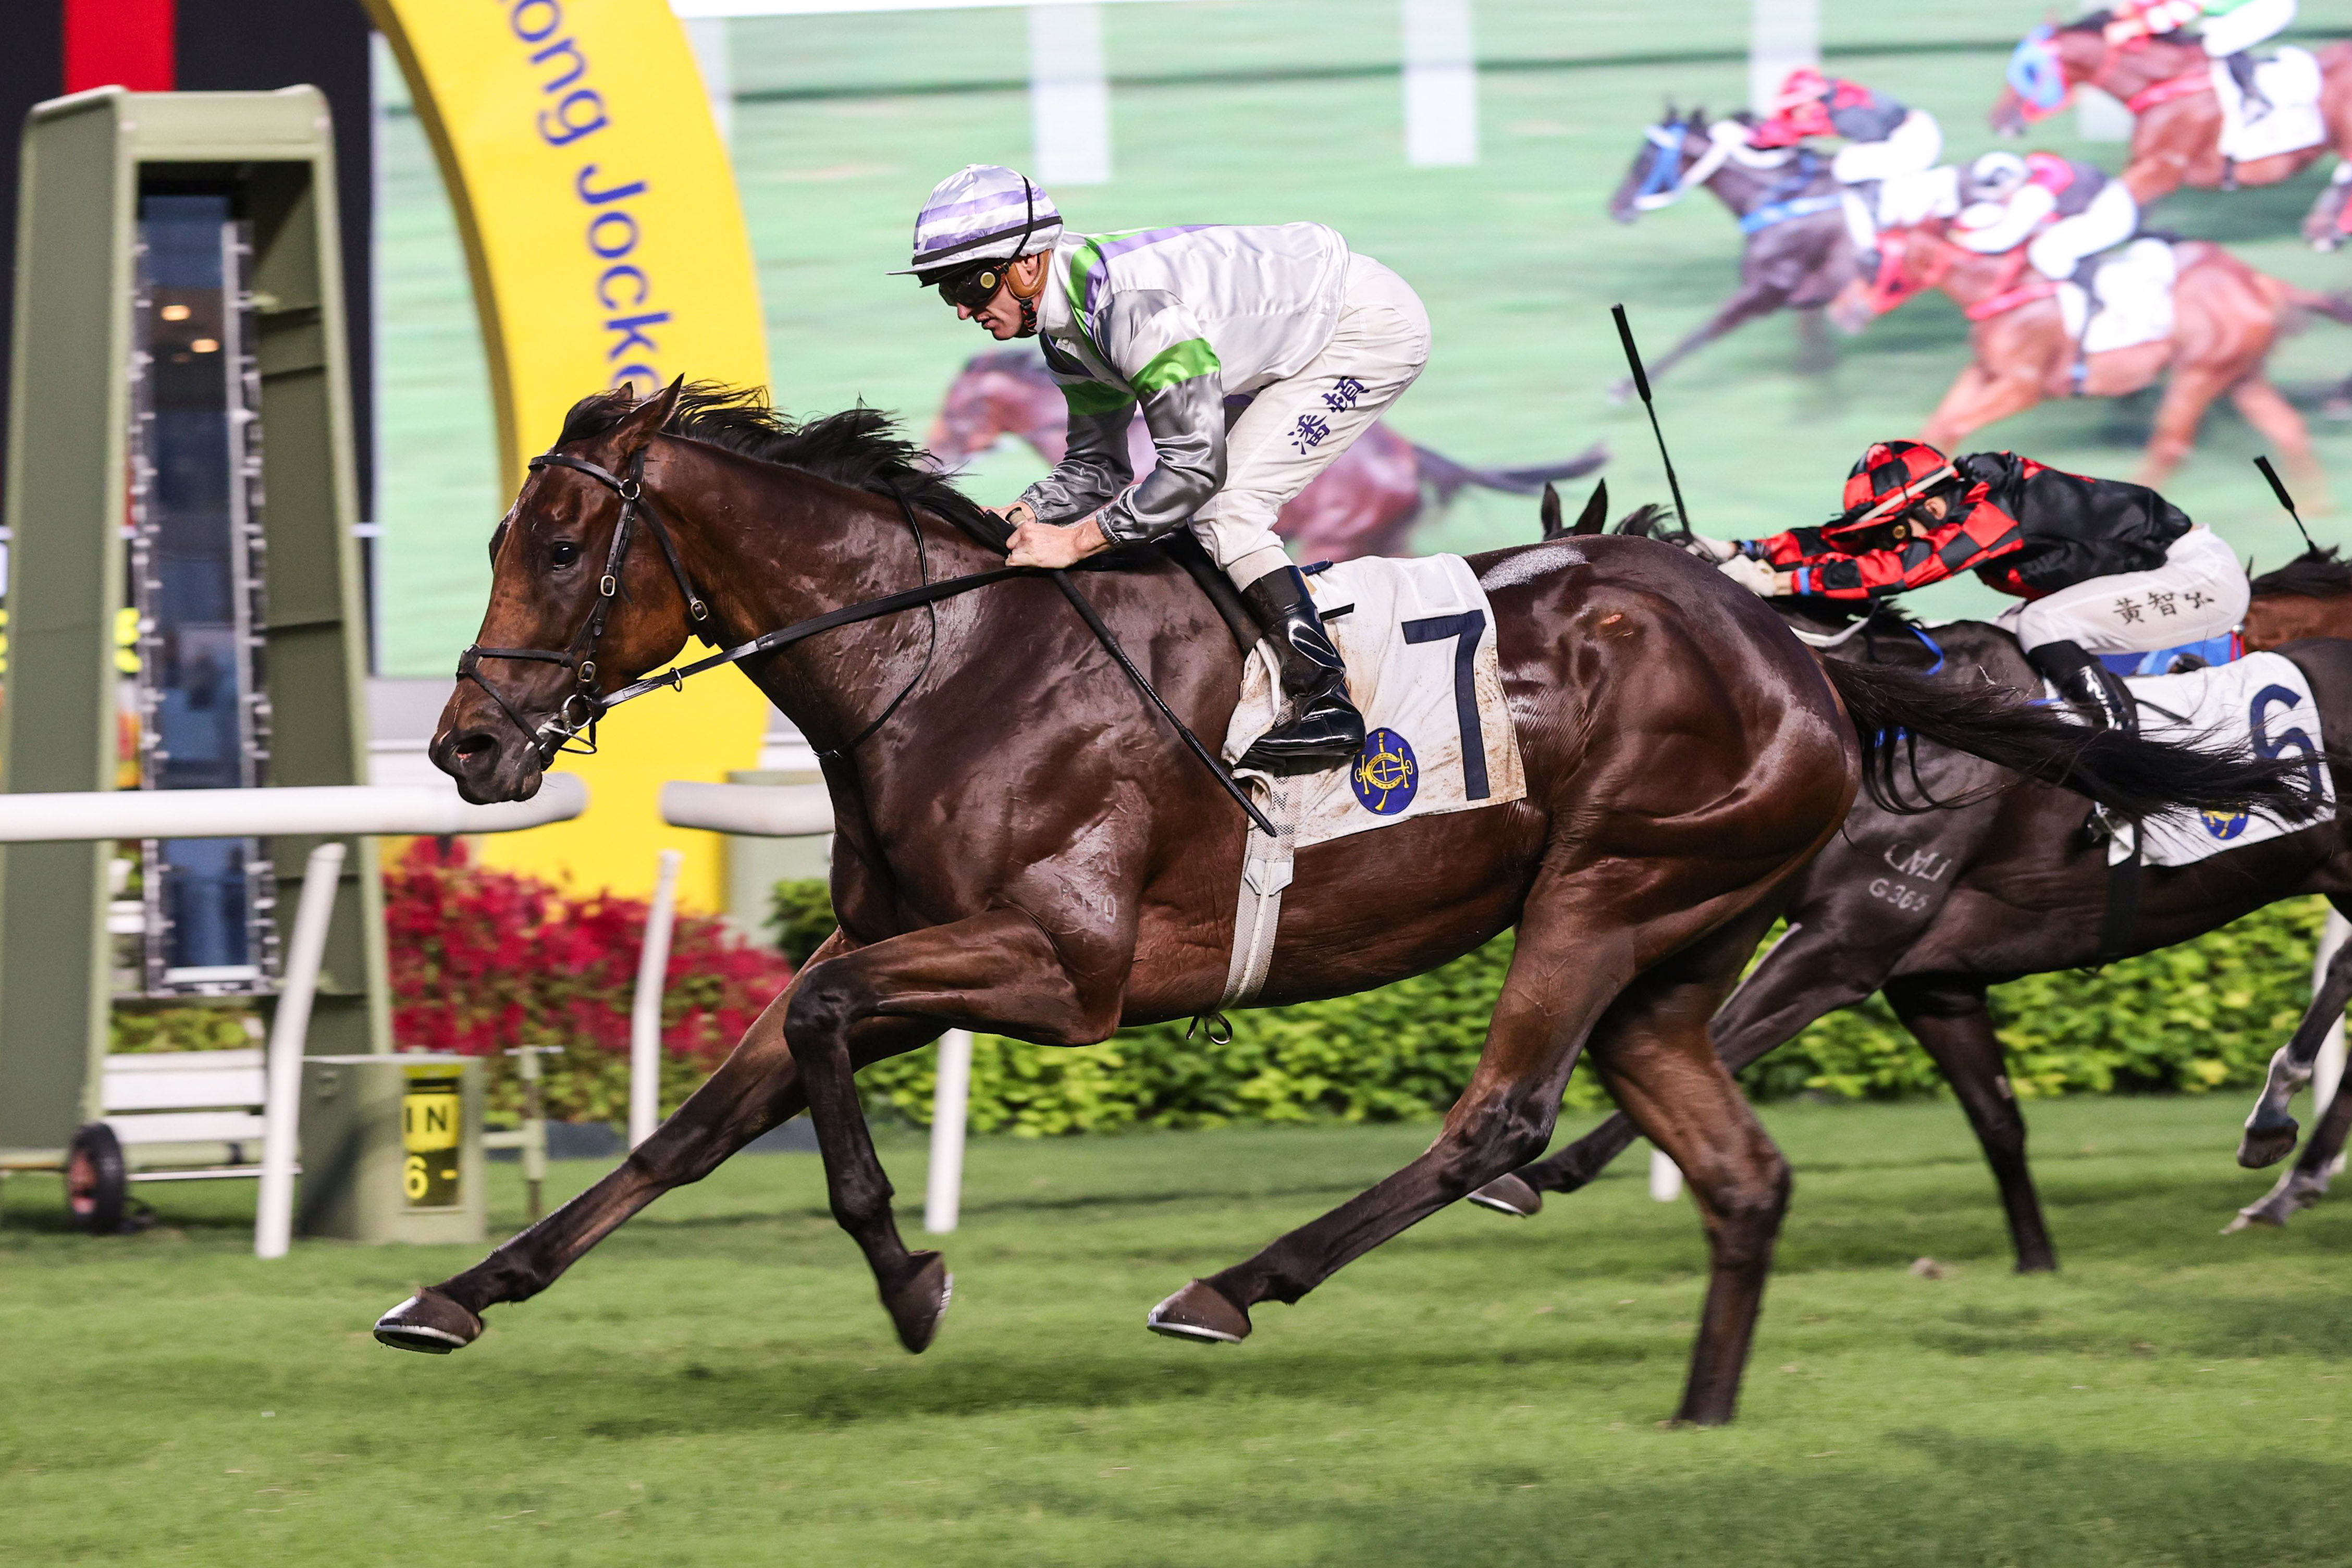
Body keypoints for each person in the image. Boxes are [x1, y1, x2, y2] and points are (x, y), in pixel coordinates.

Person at [895, 164, 1435, 775]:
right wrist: (1023, 512)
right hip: (1302, 327)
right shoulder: (1067, 333)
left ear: (1026, 265)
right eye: (946, 292)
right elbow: (1098, 466)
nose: (963, 311)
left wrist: (1075, 540)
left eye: (970, 287)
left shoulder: (1131, 312)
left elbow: (1193, 470)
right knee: (1194, 520)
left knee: (1224, 507)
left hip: (1362, 329)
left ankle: (1326, 702)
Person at [1692, 439, 2249, 727]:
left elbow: (1902, 570)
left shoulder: (1994, 512)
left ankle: (2124, 754)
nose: (1896, 537)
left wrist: (1777, 582)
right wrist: (1746, 550)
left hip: (2198, 578)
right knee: (2001, 642)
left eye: (1901, 526)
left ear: (1933, 504)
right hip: (2155, 581)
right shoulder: (1955, 502)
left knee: (2040, 622)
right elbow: (1852, 543)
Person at [1748, 68, 1944, 264]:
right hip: (1909, 130)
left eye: (1797, 108)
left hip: (1915, 140)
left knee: (1846, 167)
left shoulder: (1845, 114)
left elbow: (1874, 137)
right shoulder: (1833, 98)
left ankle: (1873, 235)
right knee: (1850, 161)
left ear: (1811, 101)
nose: (1795, 114)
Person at [1953, 151, 2140, 284]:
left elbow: (2004, 238)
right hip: (2109, 202)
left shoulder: (2032, 195)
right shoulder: (2033, 172)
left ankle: (2094, 295)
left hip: (2110, 216)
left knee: (2044, 252)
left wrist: (1964, 239)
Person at [2107, 0, 2298, 119]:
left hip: (2270, 6)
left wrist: (2133, 27)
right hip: (2234, 7)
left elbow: (2176, 14)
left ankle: (2255, 100)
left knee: (2217, 43)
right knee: (2211, 35)